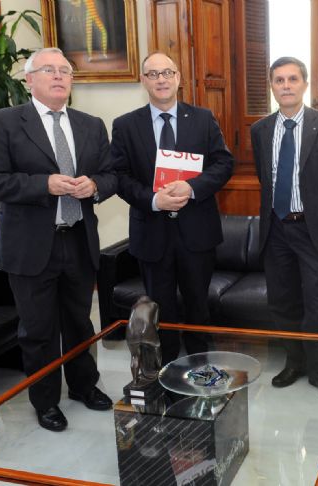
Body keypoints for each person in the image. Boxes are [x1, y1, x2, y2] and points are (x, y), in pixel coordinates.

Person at [0, 47, 117, 432]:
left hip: (79, 239)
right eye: (48, 70)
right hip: (30, 246)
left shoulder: (91, 125)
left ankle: (84, 386)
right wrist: (44, 184)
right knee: (38, 331)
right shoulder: (3, 122)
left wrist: (95, 186)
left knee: (80, 323)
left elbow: (111, 175)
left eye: (65, 71)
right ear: (29, 80)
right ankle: (46, 401)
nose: (58, 76)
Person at [112, 52, 234, 365]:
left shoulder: (203, 118)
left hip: (197, 232)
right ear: (144, 81)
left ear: (178, 78)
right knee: (160, 310)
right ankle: (165, 372)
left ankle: (201, 370)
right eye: (153, 74)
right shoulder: (125, 125)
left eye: (167, 72)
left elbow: (223, 164)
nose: (161, 80)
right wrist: (154, 200)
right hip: (152, 234)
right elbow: (119, 177)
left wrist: (192, 188)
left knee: (198, 308)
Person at [251, 57, 318, 401]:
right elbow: (265, 177)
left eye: (293, 79)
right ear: (272, 86)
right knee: (283, 303)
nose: (286, 85)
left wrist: (315, 208)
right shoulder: (260, 130)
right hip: (276, 229)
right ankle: (294, 362)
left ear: (305, 84)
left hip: (313, 229)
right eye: (279, 80)